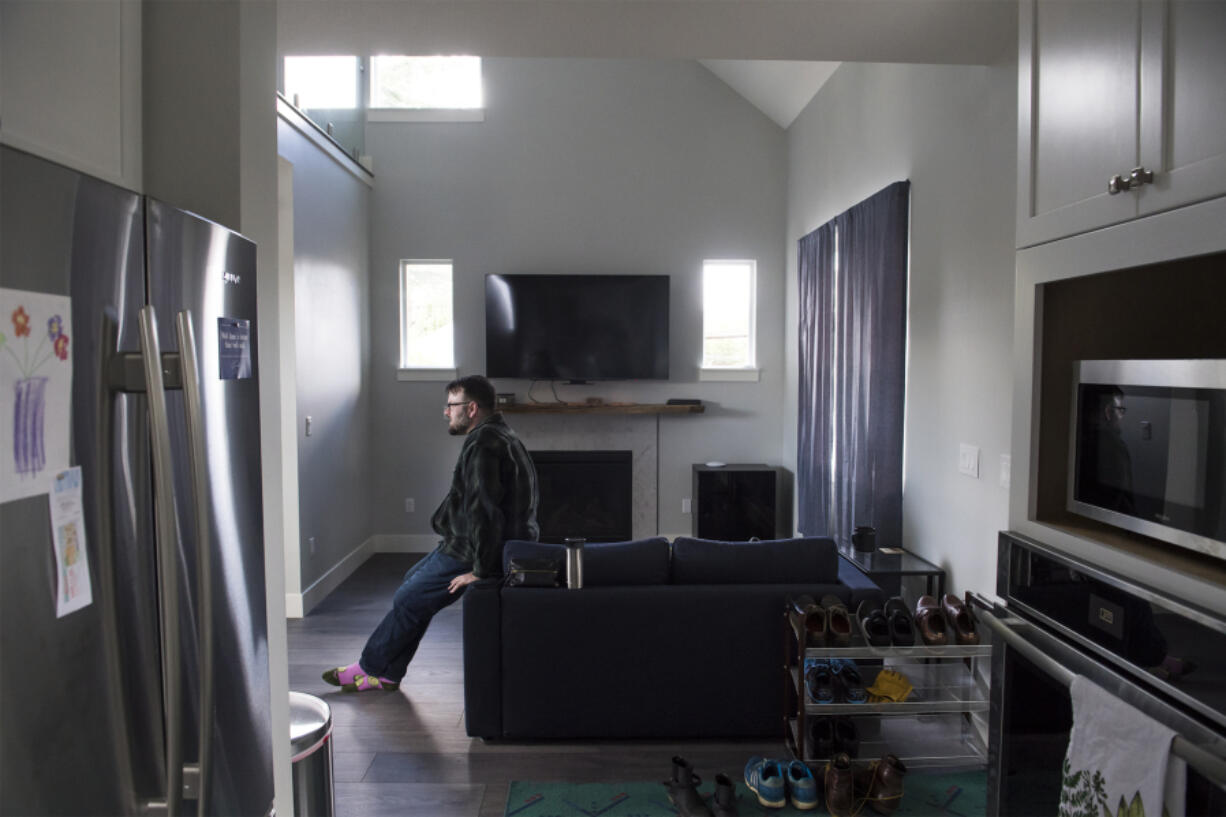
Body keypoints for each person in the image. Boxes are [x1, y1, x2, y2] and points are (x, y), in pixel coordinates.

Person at [323, 375, 539, 692]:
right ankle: (388, 674)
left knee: (409, 597)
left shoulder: (484, 445)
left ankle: (369, 668)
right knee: (413, 585)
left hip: (473, 550)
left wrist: (482, 571)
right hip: (463, 542)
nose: (445, 412)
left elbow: (486, 513)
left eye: (452, 405)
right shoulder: (501, 435)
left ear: (472, 408)